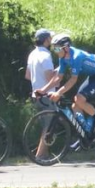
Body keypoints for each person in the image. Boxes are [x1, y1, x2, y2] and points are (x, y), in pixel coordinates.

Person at [36, 33, 95, 136]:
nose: (55, 52)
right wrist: (43, 90)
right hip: (92, 77)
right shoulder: (62, 58)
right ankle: (86, 132)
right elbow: (58, 77)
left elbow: (73, 80)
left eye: (57, 49)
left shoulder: (76, 56)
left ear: (65, 48)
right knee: (75, 106)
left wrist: (58, 93)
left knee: (79, 99)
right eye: (54, 49)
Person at [25, 29, 56, 159]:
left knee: (45, 125)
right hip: (47, 94)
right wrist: (59, 74)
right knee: (49, 127)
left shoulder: (32, 54)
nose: (51, 40)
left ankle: (45, 154)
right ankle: (38, 157)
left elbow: (27, 75)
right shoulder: (46, 55)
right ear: (46, 40)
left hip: (35, 94)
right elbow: (50, 77)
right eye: (50, 38)